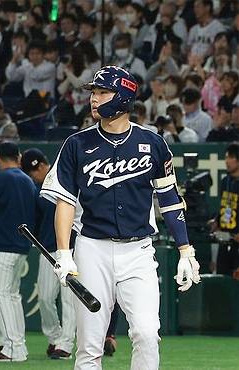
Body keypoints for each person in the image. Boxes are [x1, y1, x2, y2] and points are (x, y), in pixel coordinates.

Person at [40, 65, 201, 369]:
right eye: (94, 93)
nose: (94, 99)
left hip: (138, 250)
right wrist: (64, 252)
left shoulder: (153, 144)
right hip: (92, 249)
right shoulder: (77, 144)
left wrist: (185, 249)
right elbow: (65, 202)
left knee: (147, 333)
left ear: (124, 95)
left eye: (102, 92)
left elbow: (169, 199)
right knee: (89, 345)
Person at [0, 142, 36, 362]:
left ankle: (13, 348)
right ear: (18, 157)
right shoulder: (28, 180)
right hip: (22, 246)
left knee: (1, 296)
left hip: (1, 246)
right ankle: (19, 346)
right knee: (11, 296)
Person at [21, 148, 75, 360]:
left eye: (37, 169)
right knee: (44, 297)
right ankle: (54, 337)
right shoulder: (37, 189)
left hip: (71, 247)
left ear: (44, 164)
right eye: (32, 172)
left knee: (69, 300)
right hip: (48, 249)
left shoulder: (67, 177)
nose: (36, 174)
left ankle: (66, 344)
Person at [210, 142, 239, 276]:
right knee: (222, 277)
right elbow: (225, 206)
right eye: (226, 157)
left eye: (230, 157)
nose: (226, 161)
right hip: (225, 237)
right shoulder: (226, 181)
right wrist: (217, 220)